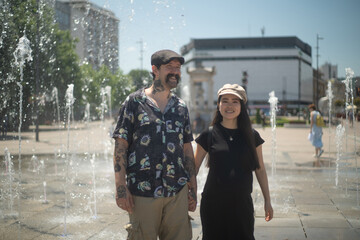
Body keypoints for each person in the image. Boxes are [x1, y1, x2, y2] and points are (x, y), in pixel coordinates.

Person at [112, 49, 197, 240]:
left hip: (177, 191)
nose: (175, 72)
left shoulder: (181, 107)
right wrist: (120, 187)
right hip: (142, 191)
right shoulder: (134, 102)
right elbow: (121, 146)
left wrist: (192, 187)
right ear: (155, 70)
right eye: (169, 67)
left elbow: (186, 148)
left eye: (178, 67)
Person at [194, 83, 273, 240]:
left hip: (242, 204)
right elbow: (193, 168)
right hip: (213, 203)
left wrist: (267, 201)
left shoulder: (252, 135)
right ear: (219, 104)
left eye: (235, 101)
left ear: (242, 106)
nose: (229, 105)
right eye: (225, 100)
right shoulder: (208, 134)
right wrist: (188, 194)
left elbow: (260, 170)